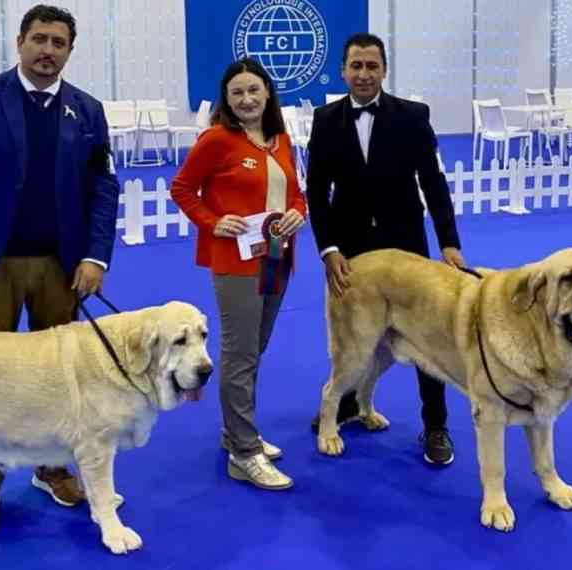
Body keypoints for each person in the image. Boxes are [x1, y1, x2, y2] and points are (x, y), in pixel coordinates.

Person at [0, 4, 120, 536]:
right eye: (39, 39)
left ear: (69, 50)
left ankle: (51, 466)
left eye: (59, 42)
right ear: (20, 42)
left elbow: (103, 186)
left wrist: (95, 255)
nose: (48, 50)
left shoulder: (88, 110)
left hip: (61, 266)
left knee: (59, 378)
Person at [306, 33, 465, 466]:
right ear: (343, 71)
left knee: (429, 337)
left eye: (372, 66)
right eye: (356, 66)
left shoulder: (413, 116)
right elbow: (316, 192)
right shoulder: (324, 120)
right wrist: (328, 248)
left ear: (384, 70)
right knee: (354, 338)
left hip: (407, 243)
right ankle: (346, 403)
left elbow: (433, 183)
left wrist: (449, 242)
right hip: (350, 251)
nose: (363, 74)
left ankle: (436, 425)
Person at [171, 58, 307, 491]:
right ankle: (244, 453)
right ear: (227, 100)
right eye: (237, 93)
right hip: (235, 263)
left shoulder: (280, 139)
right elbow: (181, 188)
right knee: (240, 353)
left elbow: (295, 194)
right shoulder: (216, 140)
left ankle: (236, 432)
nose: (247, 99)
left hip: (278, 258)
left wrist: (297, 214)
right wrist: (212, 222)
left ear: (267, 93)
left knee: (255, 348)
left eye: (253, 90)